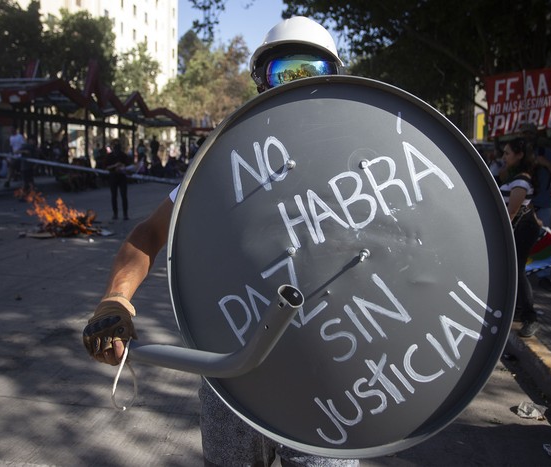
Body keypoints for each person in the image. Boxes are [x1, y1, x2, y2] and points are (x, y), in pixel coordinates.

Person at [82, 17, 357, 466]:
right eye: (281, 71)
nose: (292, 84)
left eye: (308, 71)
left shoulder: (359, 158)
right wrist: (116, 299)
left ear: (332, 78)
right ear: (259, 81)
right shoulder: (223, 162)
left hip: (329, 379)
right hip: (232, 372)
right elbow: (150, 234)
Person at [500, 137, 541, 338]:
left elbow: (513, 210)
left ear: (519, 155)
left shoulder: (521, 180)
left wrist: (501, 233)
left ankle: (530, 318)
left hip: (523, 228)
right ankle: (516, 312)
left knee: (518, 271)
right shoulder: (514, 176)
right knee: (514, 270)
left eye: (507, 153)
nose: (503, 157)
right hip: (521, 227)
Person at [519, 122, 551, 292]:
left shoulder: (547, 153)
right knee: (520, 241)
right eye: (524, 133)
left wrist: (546, 163)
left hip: (542, 205)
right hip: (523, 205)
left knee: (544, 241)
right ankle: (520, 276)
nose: (527, 137)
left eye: (530, 133)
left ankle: (544, 276)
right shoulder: (518, 153)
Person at [104, 138, 132, 221]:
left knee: (124, 196)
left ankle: (125, 214)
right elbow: (106, 167)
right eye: (115, 146)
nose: (116, 148)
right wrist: (115, 166)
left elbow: (128, 166)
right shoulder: (109, 156)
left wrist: (122, 166)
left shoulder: (123, 155)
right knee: (114, 196)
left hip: (122, 177)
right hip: (113, 177)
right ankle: (115, 214)